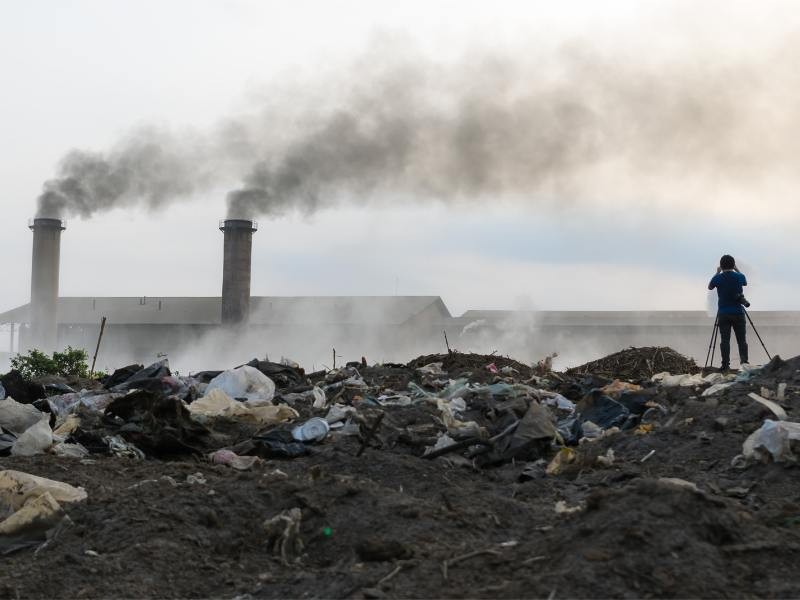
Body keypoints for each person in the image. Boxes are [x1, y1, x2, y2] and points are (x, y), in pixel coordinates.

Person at [708, 254, 749, 370]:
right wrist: (737, 269)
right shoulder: (739, 276)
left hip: (724, 313)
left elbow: (710, 287)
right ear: (733, 264)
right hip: (738, 313)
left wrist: (717, 272)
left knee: (725, 341)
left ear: (721, 265)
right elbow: (745, 283)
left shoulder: (718, 278)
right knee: (742, 340)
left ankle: (725, 365)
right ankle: (744, 363)